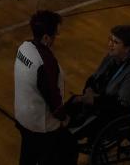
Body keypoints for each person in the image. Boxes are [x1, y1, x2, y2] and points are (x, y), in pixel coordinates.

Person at [13, 10, 76, 165]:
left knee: (27, 155)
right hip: (40, 125)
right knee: (68, 148)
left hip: (22, 116)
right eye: (55, 34)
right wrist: (63, 117)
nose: (56, 38)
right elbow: (52, 97)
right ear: (46, 38)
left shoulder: (23, 47)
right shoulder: (45, 62)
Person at [68, 25, 130, 135]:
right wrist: (88, 90)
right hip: (97, 104)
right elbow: (94, 77)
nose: (110, 45)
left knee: (69, 133)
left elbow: (120, 105)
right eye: (110, 40)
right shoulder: (111, 57)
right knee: (69, 106)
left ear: (127, 48)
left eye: (115, 42)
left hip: (109, 116)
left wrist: (94, 100)